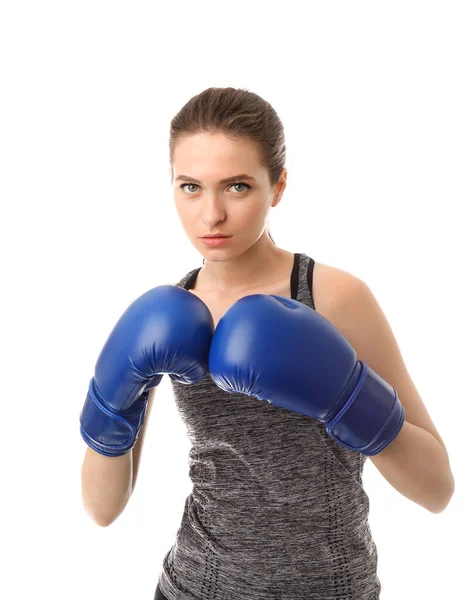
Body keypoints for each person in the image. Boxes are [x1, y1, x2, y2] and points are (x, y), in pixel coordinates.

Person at [80, 87, 455, 600]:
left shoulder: (332, 296)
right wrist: (110, 396)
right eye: (191, 187)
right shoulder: (168, 317)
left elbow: (437, 489)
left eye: (236, 186)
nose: (211, 215)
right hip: (193, 585)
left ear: (277, 187)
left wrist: (348, 399)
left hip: (330, 589)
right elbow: (104, 509)